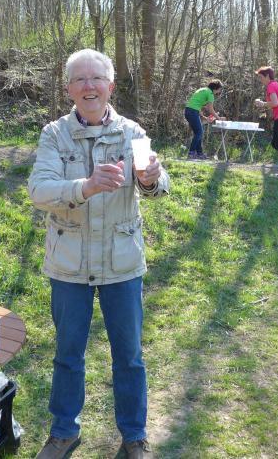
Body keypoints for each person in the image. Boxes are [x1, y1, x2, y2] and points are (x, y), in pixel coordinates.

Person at [28, 49, 169, 459]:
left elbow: (158, 186)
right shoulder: (54, 134)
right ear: (69, 89)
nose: (89, 86)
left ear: (110, 86)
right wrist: (85, 187)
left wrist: (151, 179)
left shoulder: (132, 132)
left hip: (121, 263)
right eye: (80, 79)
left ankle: (134, 436)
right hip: (69, 264)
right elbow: (39, 190)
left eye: (96, 79)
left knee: (130, 357)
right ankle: (63, 432)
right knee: (68, 354)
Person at [184, 80, 223, 159]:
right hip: (193, 112)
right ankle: (191, 152)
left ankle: (199, 153)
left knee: (198, 132)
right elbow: (210, 109)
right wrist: (219, 118)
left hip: (188, 111)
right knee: (200, 132)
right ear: (215, 88)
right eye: (219, 89)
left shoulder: (203, 90)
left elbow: (196, 105)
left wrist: (205, 118)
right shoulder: (210, 94)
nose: (219, 92)